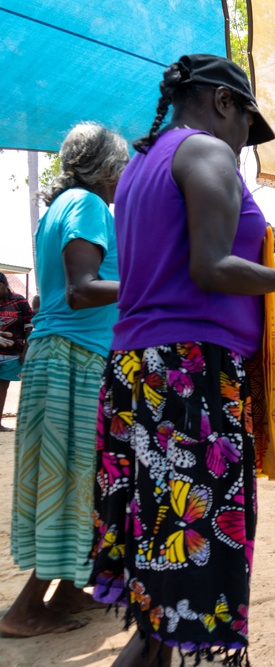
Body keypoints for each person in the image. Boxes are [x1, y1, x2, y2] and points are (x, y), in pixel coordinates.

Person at [87, 55, 275, 666]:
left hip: (139, 371)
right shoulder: (207, 152)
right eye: (248, 127)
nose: (245, 143)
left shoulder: (140, 167)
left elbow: (161, 267)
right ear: (222, 103)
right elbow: (209, 267)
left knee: (159, 565)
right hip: (190, 376)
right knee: (193, 556)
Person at [1, 122, 128, 639]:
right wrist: (155, 282)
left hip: (65, 356)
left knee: (78, 480)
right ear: (107, 167)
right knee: (73, 482)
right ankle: (26, 609)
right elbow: (82, 290)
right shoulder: (87, 205)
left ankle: (72, 584)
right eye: (122, 167)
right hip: (74, 360)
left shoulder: (65, 205)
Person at [0, 273, 33, 432]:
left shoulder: (19, 301)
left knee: (6, 386)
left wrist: (26, 351)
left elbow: (29, 327)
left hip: (14, 353)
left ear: (5, 284)